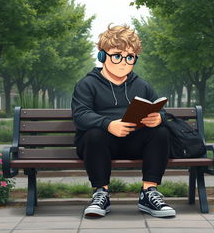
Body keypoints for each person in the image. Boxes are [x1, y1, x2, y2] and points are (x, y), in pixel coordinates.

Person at [71, 24, 176, 218]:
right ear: (102, 56)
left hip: (134, 142)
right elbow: (81, 115)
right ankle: (101, 193)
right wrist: (108, 124)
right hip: (101, 143)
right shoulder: (87, 84)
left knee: (160, 132)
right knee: (94, 134)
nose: (124, 62)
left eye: (130, 57)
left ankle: (149, 192)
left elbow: (162, 110)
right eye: (117, 56)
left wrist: (158, 117)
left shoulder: (142, 84)